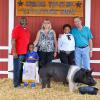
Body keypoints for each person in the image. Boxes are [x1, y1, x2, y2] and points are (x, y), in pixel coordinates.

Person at [11, 17, 30, 88]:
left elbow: (26, 41)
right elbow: (13, 40)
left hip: (24, 52)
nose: (24, 22)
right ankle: (16, 84)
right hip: (18, 53)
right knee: (17, 68)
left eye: (25, 20)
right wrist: (14, 52)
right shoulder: (16, 29)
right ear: (20, 21)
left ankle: (20, 81)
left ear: (27, 22)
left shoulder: (27, 30)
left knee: (22, 68)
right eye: (22, 20)